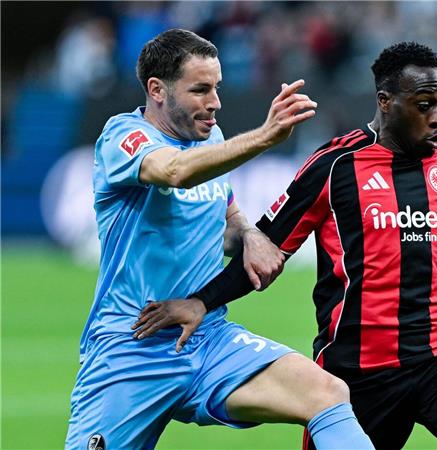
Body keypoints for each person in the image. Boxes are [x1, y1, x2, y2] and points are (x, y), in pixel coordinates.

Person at [132, 41, 437, 450]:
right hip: (356, 375)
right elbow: (263, 253)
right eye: (425, 106)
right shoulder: (336, 167)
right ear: (385, 102)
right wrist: (202, 301)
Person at [66, 28, 373, 450]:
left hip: (207, 339)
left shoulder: (210, 136)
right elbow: (175, 172)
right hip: (131, 348)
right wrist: (266, 136)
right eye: (200, 90)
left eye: (217, 88)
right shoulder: (124, 137)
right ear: (157, 90)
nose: (215, 103)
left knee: (327, 393)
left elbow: (223, 215)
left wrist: (248, 234)